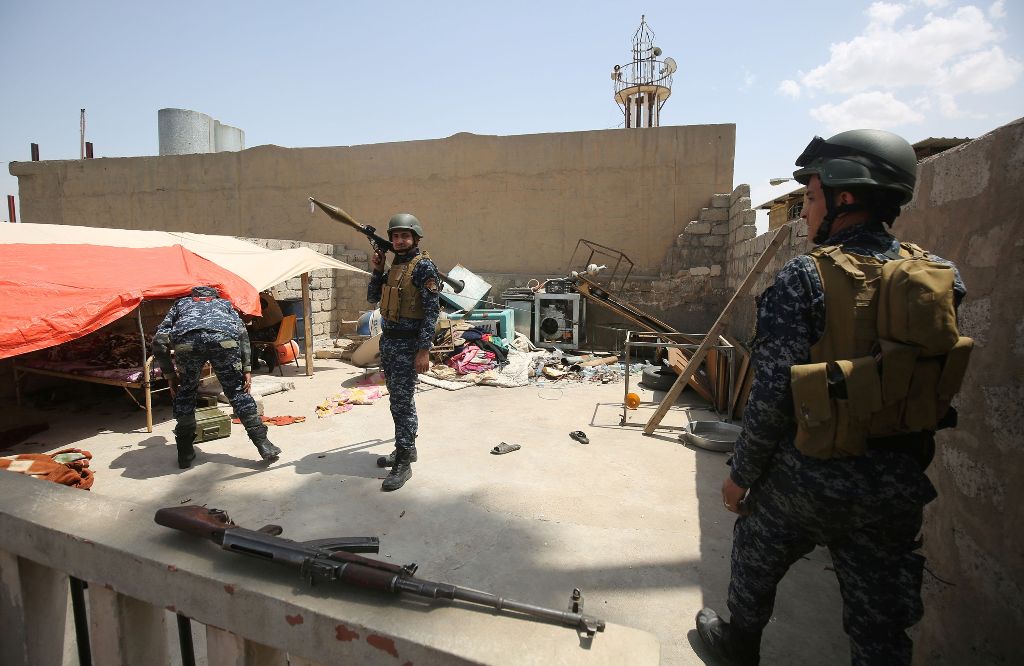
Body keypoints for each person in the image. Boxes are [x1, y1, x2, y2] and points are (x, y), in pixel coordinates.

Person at [695, 130, 970, 665]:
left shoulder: (805, 278)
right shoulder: (941, 277)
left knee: (755, 551)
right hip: (894, 482)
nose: (804, 212)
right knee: (881, 622)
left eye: (812, 198)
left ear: (846, 198)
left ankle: (739, 642)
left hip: (808, 478)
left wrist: (740, 476)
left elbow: (772, 395)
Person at [153, 285, 282, 469]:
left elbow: (159, 340)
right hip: (224, 342)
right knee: (237, 392)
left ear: (193, 295)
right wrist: (247, 368)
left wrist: (170, 375)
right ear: (215, 295)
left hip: (187, 345)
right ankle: (264, 445)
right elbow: (242, 334)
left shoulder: (180, 304)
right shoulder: (224, 304)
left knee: (187, 392)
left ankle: (185, 453)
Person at [366, 213, 441, 491]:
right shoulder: (395, 265)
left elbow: (431, 313)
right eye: (395, 236)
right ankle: (405, 449)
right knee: (397, 400)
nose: (399, 240)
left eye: (404, 236)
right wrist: (377, 270)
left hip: (409, 345)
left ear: (416, 238)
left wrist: (424, 351)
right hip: (390, 343)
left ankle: (404, 461)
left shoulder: (423, 268)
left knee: (402, 402)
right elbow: (374, 297)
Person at [247, 290, 285, 371]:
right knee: (250, 332)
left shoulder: (259, 300)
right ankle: (256, 361)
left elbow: (247, 319)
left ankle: (263, 357)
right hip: (280, 331)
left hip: (271, 332)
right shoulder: (267, 296)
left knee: (245, 337)